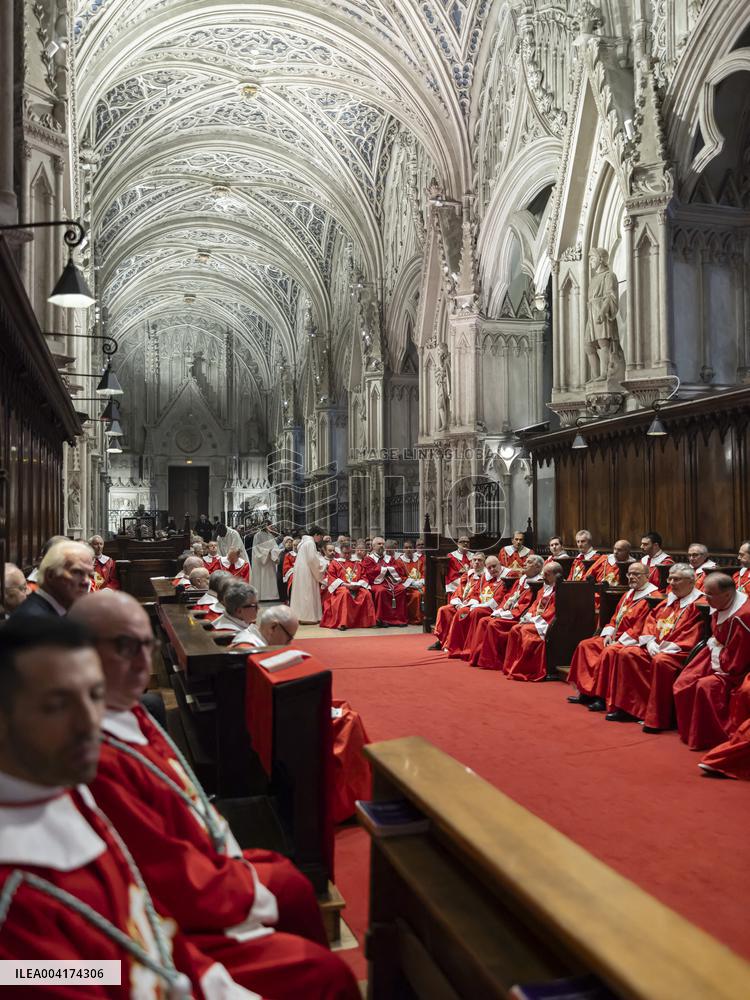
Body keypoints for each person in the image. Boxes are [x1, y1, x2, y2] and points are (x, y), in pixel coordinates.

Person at [67, 594, 359, 999]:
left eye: (145, 646)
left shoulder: (127, 715)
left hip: (155, 900)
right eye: (122, 648)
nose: (141, 661)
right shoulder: (90, 754)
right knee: (319, 968)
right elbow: (44, 970)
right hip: (141, 933)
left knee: (290, 883)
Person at [0, 618, 251, 998]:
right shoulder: (11, 891)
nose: (89, 722)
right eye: (57, 705)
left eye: (95, 695)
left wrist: (196, 976)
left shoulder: (60, 786)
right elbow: (44, 976)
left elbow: (136, 912)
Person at [590, 564, 704, 724]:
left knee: (660, 661)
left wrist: (662, 648)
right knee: (627, 653)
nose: (671, 583)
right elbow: (651, 620)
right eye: (670, 578)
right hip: (655, 647)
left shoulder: (699, 604)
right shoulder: (668, 600)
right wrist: (650, 642)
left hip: (678, 652)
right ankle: (629, 707)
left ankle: (657, 716)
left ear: (691, 581)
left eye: (676, 579)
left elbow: (691, 634)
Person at [673, 573, 750, 750]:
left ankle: (710, 737)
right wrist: (715, 647)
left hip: (736, 667)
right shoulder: (719, 602)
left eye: (709, 595)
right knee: (684, 682)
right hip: (718, 652)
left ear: (727, 595)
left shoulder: (743, 617)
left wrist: (717, 650)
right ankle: (687, 730)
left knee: (705, 686)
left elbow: (737, 661)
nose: (705, 599)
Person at [566, 563, 657, 706]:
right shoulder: (629, 594)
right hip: (615, 637)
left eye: (636, 574)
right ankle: (585, 692)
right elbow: (615, 617)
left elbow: (642, 627)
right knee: (586, 645)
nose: (632, 577)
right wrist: (608, 633)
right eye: (629, 574)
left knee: (609, 652)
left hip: (632, 641)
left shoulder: (652, 597)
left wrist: (619, 641)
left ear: (647, 576)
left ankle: (601, 697)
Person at [469, 554, 545, 668]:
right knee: (483, 621)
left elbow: (526, 605)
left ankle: (493, 661)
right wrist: (500, 610)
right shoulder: (522, 579)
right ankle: (477, 657)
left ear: (538, 568)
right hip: (509, 611)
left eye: (529, 562)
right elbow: (509, 596)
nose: (524, 563)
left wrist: (505, 614)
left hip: (517, 616)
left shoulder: (538, 583)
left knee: (493, 624)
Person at [502, 561, 563, 681]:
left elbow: (552, 612)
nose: (543, 576)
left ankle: (525, 670)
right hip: (536, 621)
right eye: (543, 573)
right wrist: (527, 618)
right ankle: (511, 667)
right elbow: (534, 606)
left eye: (547, 574)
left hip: (548, 625)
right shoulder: (543, 589)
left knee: (525, 631)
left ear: (557, 575)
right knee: (515, 629)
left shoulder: (561, 592)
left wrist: (532, 621)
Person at [10, 540, 95, 619]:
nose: (87, 582)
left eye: (89, 575)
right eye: (77, 572)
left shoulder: (60, 611)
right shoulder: (35, 620)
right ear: (50, 575)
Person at [444, 555, 505, 658]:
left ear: (500, 564)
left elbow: (501, 597)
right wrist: (472, 604)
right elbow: (475, 593)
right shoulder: (480, 577)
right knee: (459, 611)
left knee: (474, 612)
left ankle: (470, 649)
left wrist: (478, 605)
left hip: (493, 608)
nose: (492, 569)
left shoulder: (506, 576)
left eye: (494, 566)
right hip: (476, 604)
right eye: (489, 567)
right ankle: (455, 646)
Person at [428, 552, 486, 650]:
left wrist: (467, 604)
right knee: (443, 610)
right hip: (461, 603)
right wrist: (458, 602)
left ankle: (452, 643)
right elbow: (460, 589)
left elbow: (481, 594)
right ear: (471, 562)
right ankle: (442, 640)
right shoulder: (468, 575)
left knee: (461, 613)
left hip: (473, 605)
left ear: (484, 563)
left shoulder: (486, 576)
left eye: (479, 560)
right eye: (474, 560)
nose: (476, 562)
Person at [320, 540, 376, 630]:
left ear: (352, 552)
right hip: (341, 587)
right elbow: (332, 578)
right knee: (344, 593)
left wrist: (358, 584)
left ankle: (367, 622)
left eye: (349, 553)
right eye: (345, 553)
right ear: (340, 552)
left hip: (356, 586)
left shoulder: (357, 562)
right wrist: (345, 585)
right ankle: (343, 623)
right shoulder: (335, 563)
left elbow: (364, 576)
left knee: (366, 593)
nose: (347, 555)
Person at [361, 537, 409, 627]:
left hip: (391, 582)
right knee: (381, 591)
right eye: (379, 544)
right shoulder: (368, 559)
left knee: (401, 589)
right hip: (377, 583)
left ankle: (399, 619)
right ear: (373, 546)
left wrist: (384, 569)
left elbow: (397, 569)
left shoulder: (390, 558)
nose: (382, 546)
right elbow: (370, 572)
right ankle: (382, 620)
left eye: (383, 544)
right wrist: (386, 569)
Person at [290, 527, 325, 624]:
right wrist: (322, 565)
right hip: (307, 571)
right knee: (307, 593)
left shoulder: (303, 542)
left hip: (301, 570)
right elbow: (311, 559)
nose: (320, 539)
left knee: (301, 593)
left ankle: (300, 616)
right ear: (316, 535)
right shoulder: (310, 543)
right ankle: (307, 618)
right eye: (320, 537)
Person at [232, 605, 300, 649]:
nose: (290, 643)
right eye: (289, 637)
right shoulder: (248, 649)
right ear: (273, 628)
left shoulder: (257, 636)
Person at [397, 539, 425, 624]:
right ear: (403, 549)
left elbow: (424, 572)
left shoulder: (419, 561)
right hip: (408, 587)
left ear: (414, 549)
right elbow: (400, 577)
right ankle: (416, 619)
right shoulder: (399, 561)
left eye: (410, 547)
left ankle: (426, 617)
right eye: (406, 547)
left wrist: (422, 581)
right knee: (416, 595)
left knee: (427, 592)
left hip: (420, 585)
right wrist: (412, 582)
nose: (408, 549)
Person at [252, 523, 281, 600]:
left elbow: (275, 546)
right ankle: (261, 596)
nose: (270, 527)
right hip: (261, 560)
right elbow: (256, 547)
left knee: (270, 577)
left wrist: (274, 552)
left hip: (270, 559)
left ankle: (271, 596)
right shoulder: (257, 535)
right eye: (269, 525)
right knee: (261, 577)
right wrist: (267, 551)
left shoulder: (270, 535)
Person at [277, 535, 295, 602]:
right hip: (281, 573)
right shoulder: (281, 553)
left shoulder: (294, 553)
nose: (289, 544)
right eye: (287, 542)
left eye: (290, 542)